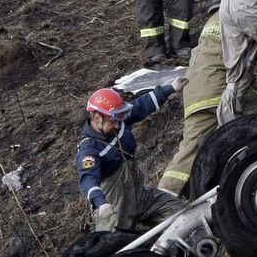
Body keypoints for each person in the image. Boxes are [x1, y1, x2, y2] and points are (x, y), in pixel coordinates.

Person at [157, 0, 257, 197]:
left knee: (190, 149)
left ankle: (165, 199)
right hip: (216, 89)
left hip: (197, 88)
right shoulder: (238, 14)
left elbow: (236, 68)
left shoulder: (216, 20)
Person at [76, 82, 186, 232]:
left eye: (118, 119)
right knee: (115, 247)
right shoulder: (89, 150)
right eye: (112, 120)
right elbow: (88, 179)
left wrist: (171, 88)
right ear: (96, 117)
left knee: (183, 214)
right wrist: (101, 203)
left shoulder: (119, 121)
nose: (116, 125)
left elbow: (141, 105)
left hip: (139, 195)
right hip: (114, 208)